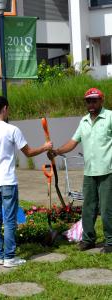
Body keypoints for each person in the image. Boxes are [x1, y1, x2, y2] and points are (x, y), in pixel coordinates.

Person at [0, 96, 53, 268]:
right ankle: (10, 257)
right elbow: (29, 152)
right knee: (9, 221)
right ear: (4, 109)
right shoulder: (12, 130)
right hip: (7, 181)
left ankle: (0, 256)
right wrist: (45, 147)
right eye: (8, 109)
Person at [49, 87, 112, 253]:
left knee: (106, 209)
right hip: (89, 172)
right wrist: (57, 151)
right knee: (88, 208)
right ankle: (88, 239)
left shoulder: (110, 117)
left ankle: (110, 242)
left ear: (101, 100)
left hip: (108, 171)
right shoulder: (83, 121)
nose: (91, 104)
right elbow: (72, 142)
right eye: (88, 101)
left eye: (94, 100)